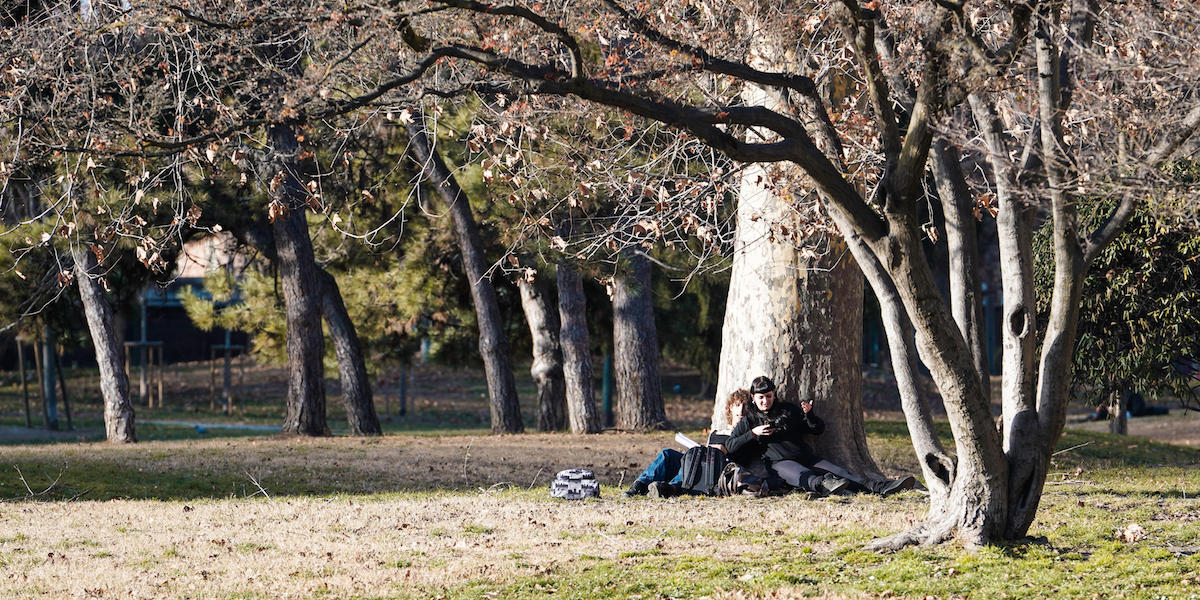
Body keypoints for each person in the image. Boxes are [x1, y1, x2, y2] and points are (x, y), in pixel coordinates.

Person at [724, 375, 916, 497]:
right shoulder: (749, 421)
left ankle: (882, 487)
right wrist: (752, 434)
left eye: (769, 396)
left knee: (843, 473)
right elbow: (731, 445)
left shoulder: (788, 410)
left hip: (805, 456)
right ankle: (830, 487)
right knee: (807, 478)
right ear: (753, 398)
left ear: (774, 394)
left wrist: (809, 415)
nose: (765, 401)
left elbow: (817, 429)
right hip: (779, 463)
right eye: (761, 397)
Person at [622, 389, 753, 498]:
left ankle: (670, 488)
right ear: (730, 408)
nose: (741, 410)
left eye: (744, 406)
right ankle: (639, 486)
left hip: (715, 472)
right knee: (668, 454)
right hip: (700, 464)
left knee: (694, 461)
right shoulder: (717, 432)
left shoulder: (745, 436)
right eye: (737, 405)